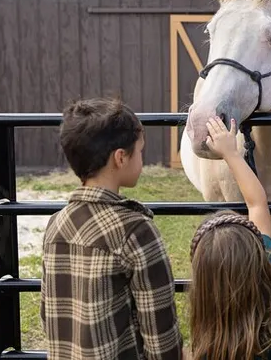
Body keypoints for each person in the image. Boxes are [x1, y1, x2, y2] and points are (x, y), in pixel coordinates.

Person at [40, 98, 184, 360]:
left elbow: (48, 315)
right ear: (120, 157)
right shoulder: (136, 231)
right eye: (140, 151)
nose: (142, 158)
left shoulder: (56, 225)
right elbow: (162, 338)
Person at [187, 116, 271, 360]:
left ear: (201, 291)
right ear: (259, 261)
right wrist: (232, 154)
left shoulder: (206, 343)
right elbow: (257, 204)